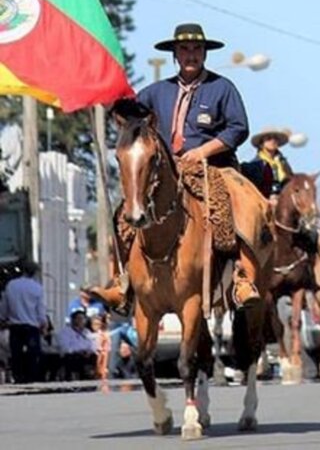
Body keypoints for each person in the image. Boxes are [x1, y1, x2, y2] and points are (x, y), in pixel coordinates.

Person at [92, 23, 269, 311]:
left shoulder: (222, 88)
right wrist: (100, 92)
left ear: (204, 54)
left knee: (238, 206)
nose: (191, 55)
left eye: (197, 49)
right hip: (164, 169)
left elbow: (239, 128)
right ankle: (121, 281)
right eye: (184, 49)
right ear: (175, 53)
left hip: (213, 167)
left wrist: (203, 151)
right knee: (125, 215)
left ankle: (242, 276)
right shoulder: (155, 92)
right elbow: (126, 112)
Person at [0, 261, 46, 383]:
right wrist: (43, 322)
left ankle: (18, 376)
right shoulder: (37, 287)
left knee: (16, 353)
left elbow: (5, 304)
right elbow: (40, 308)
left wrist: (3, 317)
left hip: (15, 325)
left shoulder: (11, 285)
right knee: (33, 353)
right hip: (32, 326)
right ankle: (32, 377)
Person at [247, 127, 294, 197]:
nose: (273, 141)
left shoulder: (283, 162)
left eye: (275, 139)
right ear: (261, 144)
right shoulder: (255, 165)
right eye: (268, 139)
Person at [56, 307, 97, 380]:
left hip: (86, 356)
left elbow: (93, 345)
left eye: (83, 319)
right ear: (73, 320)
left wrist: (89, 351)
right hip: (72, 356)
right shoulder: (65, 332)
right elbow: (65, 347)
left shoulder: (87, 332)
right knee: (74, 358)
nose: (82, 321)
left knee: (94, 356)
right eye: (79, 318)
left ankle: (89, 381)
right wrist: (79, 350)